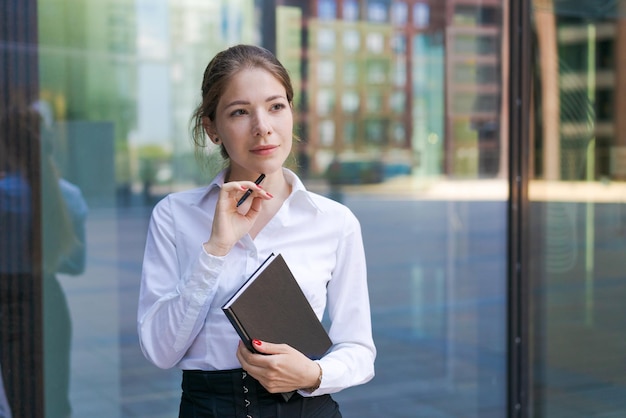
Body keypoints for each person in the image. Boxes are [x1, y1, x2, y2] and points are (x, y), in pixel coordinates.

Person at [137, 44, 376, 418]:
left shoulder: (334, 222)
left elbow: (360, 349)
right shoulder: (173, 216)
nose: (262, 126)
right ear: (212, 129)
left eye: (276, 106)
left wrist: (314, 373)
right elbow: (160, 351)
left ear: (291, 113)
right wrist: (215, 249)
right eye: (239, 112)